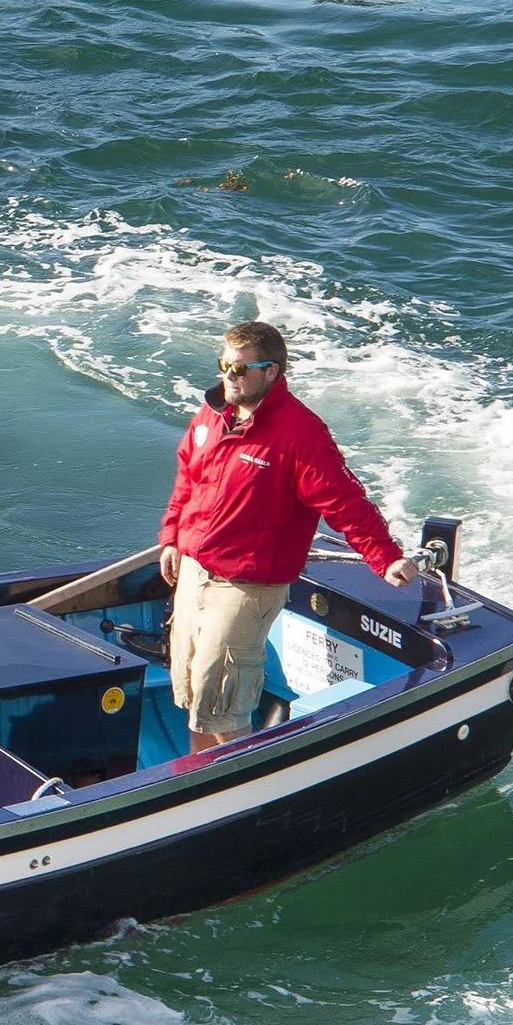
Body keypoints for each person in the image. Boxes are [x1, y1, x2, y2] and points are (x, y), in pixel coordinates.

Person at [158, 321, 415, 752]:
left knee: (222, 699)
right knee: (192, 692)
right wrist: (171, 535)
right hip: (194, 572)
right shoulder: (211, 415)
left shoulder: (300, 434)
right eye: (224, 365)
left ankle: (242, 795)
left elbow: (345, 502)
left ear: (272, 372)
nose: (228, 377)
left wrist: (385, 557)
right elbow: (188, 476)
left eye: (240, 369)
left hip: (244, 586)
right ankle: (196, 779)